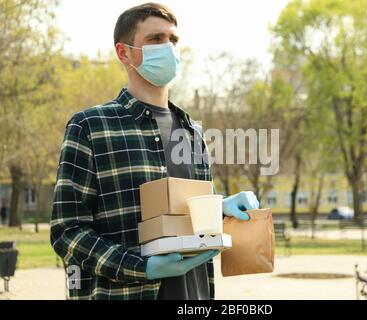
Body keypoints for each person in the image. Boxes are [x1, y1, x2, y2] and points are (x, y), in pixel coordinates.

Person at [50, 2, 259, 300]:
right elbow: (67, 231)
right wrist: (142, 267)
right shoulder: (90, 126)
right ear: (124, 53)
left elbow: (188, 220)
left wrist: (221, 208)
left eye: (173, 40)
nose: (169, 47)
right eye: (155, 39)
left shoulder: (192, 133)